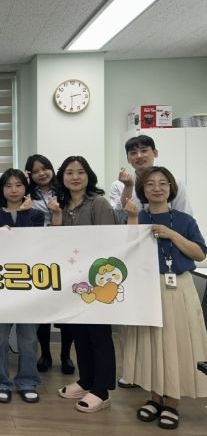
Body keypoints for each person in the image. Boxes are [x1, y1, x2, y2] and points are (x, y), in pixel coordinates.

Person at [122, 166, 207, 430]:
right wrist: (132, 219)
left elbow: (199, 254)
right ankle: (154, 398)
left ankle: (172, 403)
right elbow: (126, 252)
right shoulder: (137, 217)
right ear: (142, 190)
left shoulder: (184, 220)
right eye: (150, 184)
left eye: (163, 183)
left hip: (179, 288)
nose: (157, 188)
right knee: (151, 343)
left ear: (171, 188)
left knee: (176, 344)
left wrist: (172, 234)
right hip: (146, 288)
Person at [110, 134, 193, 388]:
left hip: (168, 265)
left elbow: (184, 220)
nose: (139, 156)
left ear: (154, 152)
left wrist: (171, 238)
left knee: (168, 328)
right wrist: (127, 188)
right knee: (134, 324)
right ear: (128, 158)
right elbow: (118, 221)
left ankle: (168, 378)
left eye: (144, 150)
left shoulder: (173, 181)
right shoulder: (120, 184)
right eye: (133, 153)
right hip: (136, 266)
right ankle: (133, 373)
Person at [49, 156, 118, 413]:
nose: (75, 177)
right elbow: (54, 243)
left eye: (80, 172)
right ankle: (86, 380)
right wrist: (56, 214)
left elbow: (110, 242)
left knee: (99, 336)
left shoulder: (98, 203)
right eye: (69, 172)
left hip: (97, 281)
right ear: (62, 177)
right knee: (79, 333)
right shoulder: (61, 205)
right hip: (72, 281)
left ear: (88, 176)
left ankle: (101, 390)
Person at [0, 169, 43, 403]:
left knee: (28, 338)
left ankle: (28, 381)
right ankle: (0, 381)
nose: (14, 190)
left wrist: (24, 213)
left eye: (18, 185)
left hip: (28, 283)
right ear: (2, 190)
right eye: (8, 186)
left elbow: (32, 243)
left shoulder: (36, 215)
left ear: (25, 188)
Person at [25, 154, 75, 375]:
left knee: (66, 309)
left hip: (65, 253)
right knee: (42, 310)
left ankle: (66, 355)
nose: (41, 173)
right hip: (38, 255)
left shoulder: (64, 191)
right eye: (35, 171)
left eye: (45, 168)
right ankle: (45, 354)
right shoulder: (27, 194)